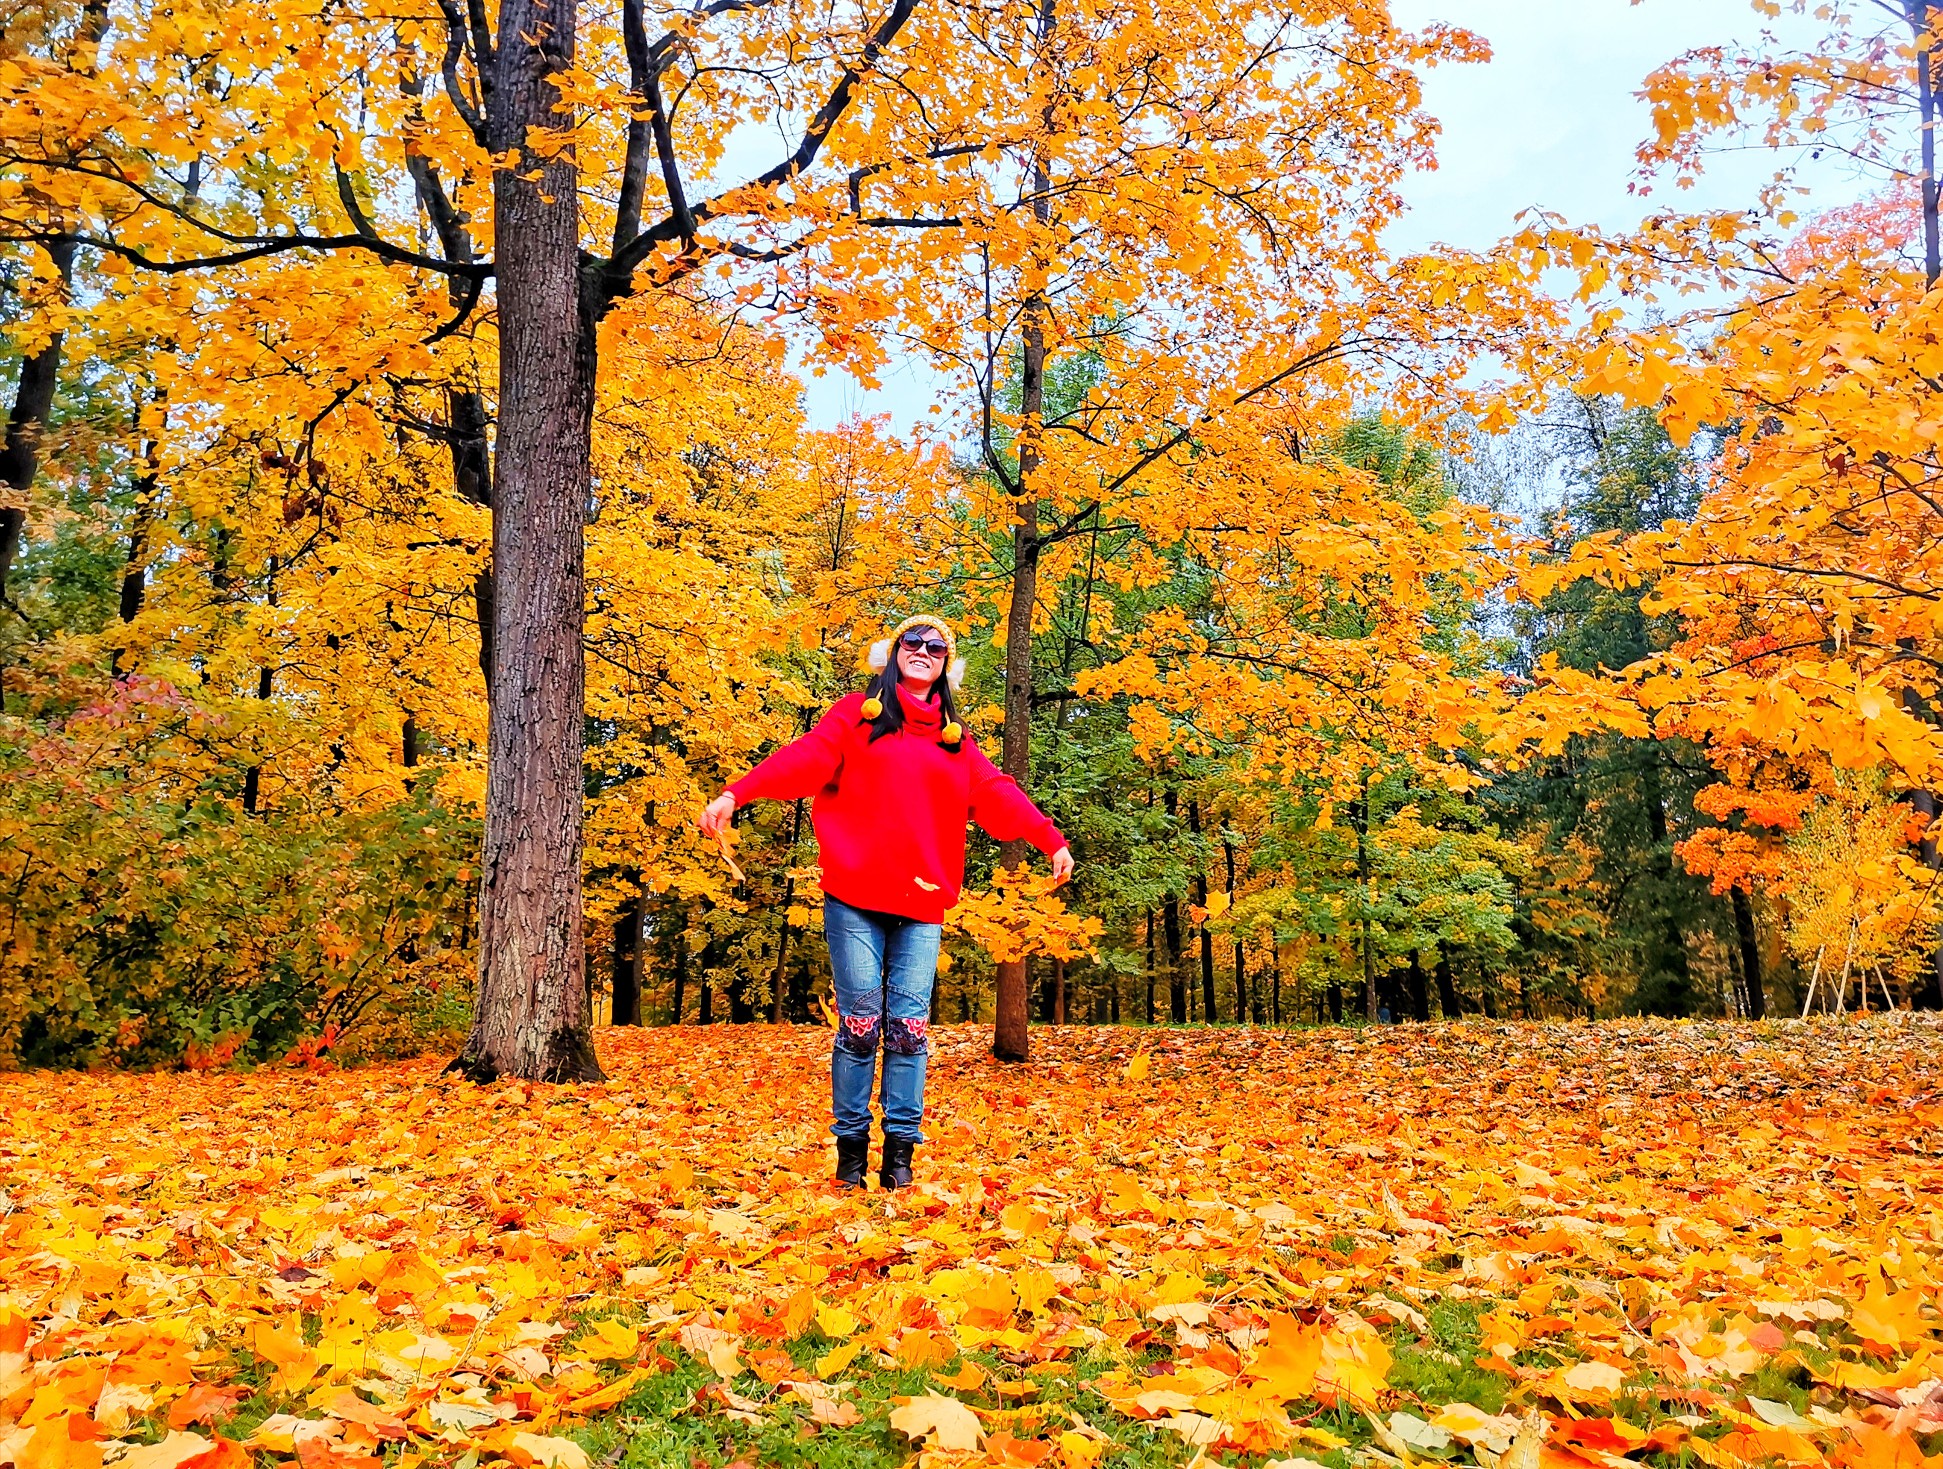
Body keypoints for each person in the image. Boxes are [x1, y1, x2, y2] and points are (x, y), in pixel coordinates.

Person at [697, 614, 1073, 1190]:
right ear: (893, 653)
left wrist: (1051, 839)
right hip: (854, 898)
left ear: (947, 663)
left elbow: (996, 791)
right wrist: (736, 793)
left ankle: (900, 1158)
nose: (924, 651)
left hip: (921, 906)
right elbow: (807, 757)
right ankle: (850, 1156)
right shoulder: (856, 715)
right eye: (913, 642)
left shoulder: (955, 740)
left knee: (909, 1030)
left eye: (936, 647)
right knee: (861, 1024)